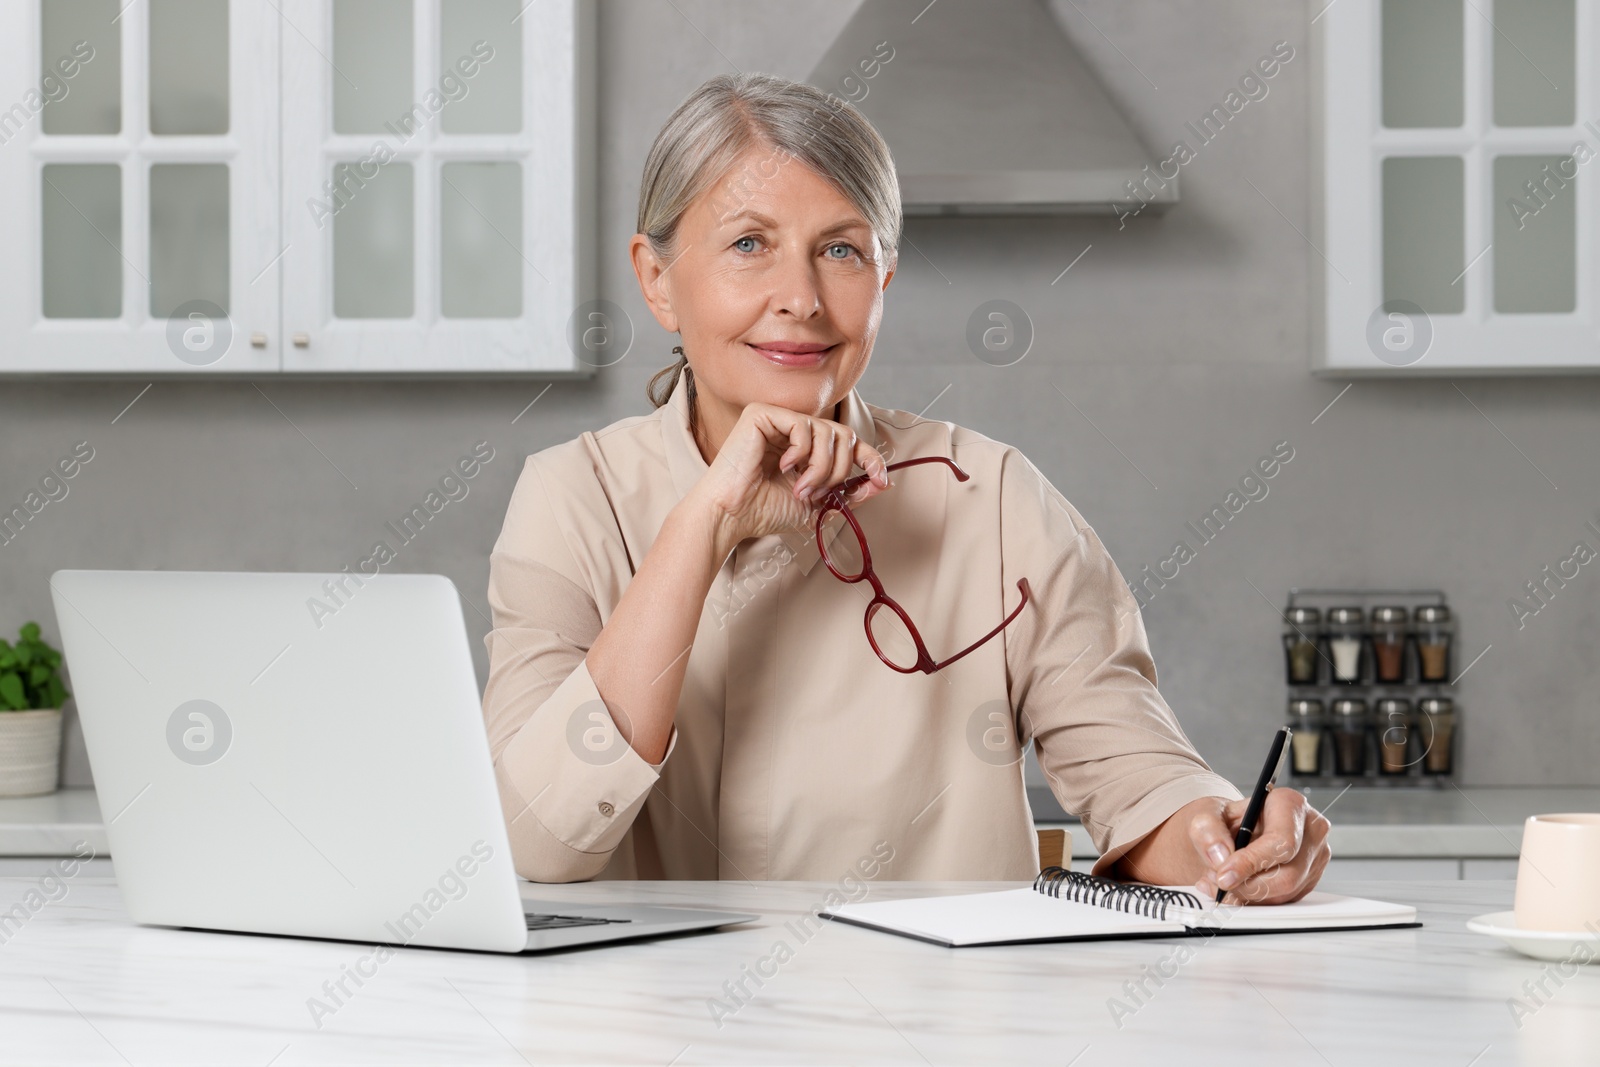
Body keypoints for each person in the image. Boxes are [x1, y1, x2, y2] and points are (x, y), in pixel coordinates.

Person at [481, 73, 1330, 901]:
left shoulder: (995, 499)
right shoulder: (570, 499)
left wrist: (1229, 840)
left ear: (883, 278)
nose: (802, 299)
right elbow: (539, 841)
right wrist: (703, 524)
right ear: (657, 279)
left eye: (841, 250)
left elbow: (1140, 779)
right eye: (749, 244)